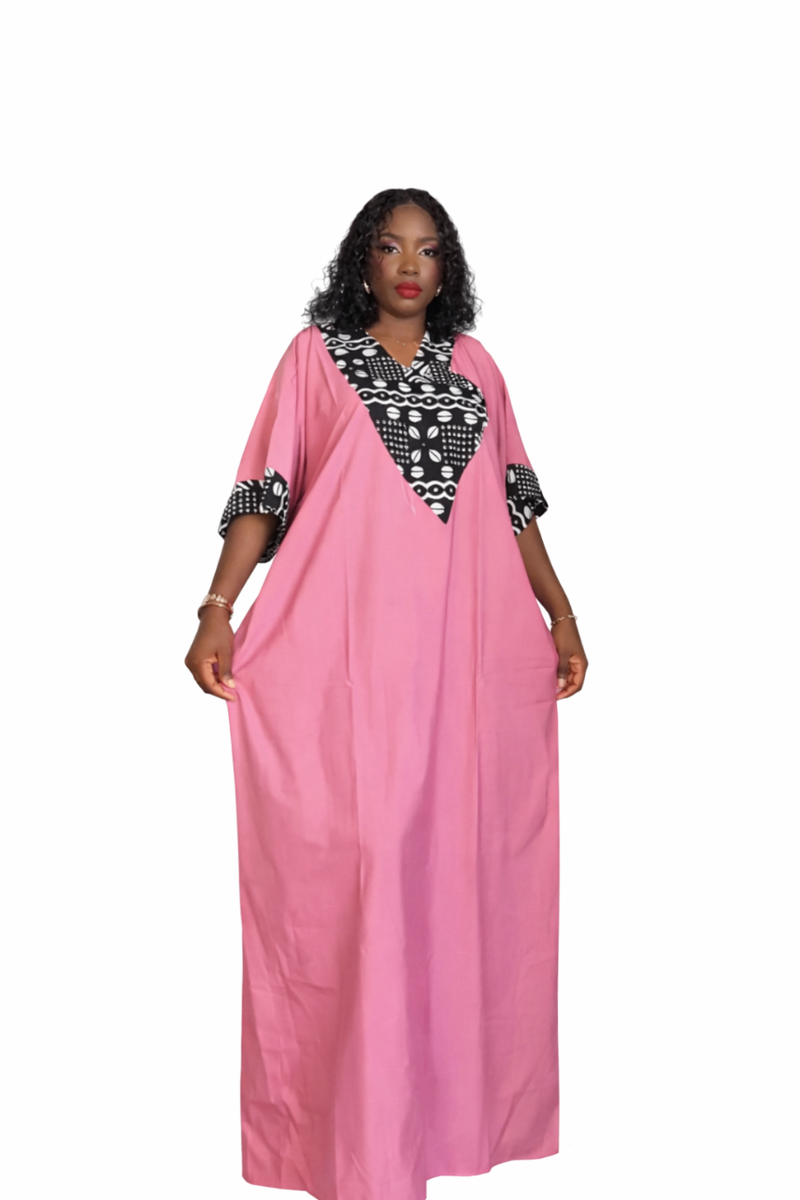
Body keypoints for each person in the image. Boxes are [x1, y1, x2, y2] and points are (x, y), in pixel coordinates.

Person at [185, 187, 588, 1200]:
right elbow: (266, 491)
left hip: (463, 662)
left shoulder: (477, 370)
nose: (409, 265)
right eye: (389, 246)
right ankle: (351, 1145)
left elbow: (513, 506)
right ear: (359, 261)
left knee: (455, 880)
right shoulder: (315, 360)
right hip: (349, 663)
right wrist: (217, 607)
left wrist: (561, 613)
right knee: (358, 877)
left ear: (448, 268)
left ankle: (433, 1132)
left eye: (428, 250)